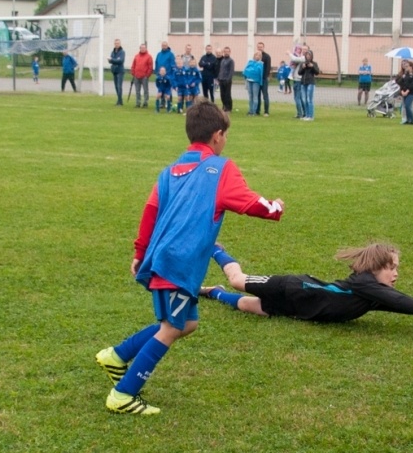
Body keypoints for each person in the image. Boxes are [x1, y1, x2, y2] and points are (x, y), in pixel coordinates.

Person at [94, 103, 284, 415]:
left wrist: (140, 253)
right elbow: (251, 203)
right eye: (226, 136)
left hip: (163, 259)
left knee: (186, 323)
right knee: (171, 328)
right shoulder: (220, 168)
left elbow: (150, 211)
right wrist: (275, 207)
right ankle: (123, 394)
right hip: (179, 264)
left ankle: (116, 356)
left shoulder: (170, 170)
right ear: (218, 135)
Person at [203, 242, 413, 340]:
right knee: (237, 280)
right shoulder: (364, 284)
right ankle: (215, 249)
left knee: (249, 306)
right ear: (376, 267)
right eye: (391, 268)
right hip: (292, 288)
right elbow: (401, 300)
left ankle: (213, 292)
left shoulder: (371, 295)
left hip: (299, 308)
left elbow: (405, 303)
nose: (396, 274)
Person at [296, 49, 319, 120]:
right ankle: (306, 115)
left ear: (311, 56)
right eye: (307, 55)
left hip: (310, 83)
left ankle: (310, 116)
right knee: (304, 99)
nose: (308, 56)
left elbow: (317, 72)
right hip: (303, 83)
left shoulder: (314, 63)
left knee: (309, 99)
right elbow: (299, 73)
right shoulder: (303, 63)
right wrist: (303, 68)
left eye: (309, 55)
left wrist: (312, 66)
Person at [130, 42, 153, 108]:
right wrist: (133, 72)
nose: (143, 49)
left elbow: (150, 67)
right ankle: (138, 103)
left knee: (145, 90)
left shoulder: (149, 57)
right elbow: (133, 65)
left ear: (146, 48)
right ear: (139, 48)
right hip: (136, 76)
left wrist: (147, 75)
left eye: (144, 48)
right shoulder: (136, 56)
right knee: (137, 91)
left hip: (144, 76)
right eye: (141, 48)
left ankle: (145, 103)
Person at [397, 60, 413, 125]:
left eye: (407, 66)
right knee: (405, 106)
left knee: (408, 105)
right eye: (405, 66)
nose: (406, 67)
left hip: (411, 92)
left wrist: (407, 91)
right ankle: (407, 120)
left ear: (411, 67)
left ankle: (412, 119)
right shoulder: (405, 74)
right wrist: (402, 91)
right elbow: (401, 83)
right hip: (404, 92)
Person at [255, 41, 274, 115]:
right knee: (257, 95)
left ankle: (266, 111)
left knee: (265, 95)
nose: (260, 48)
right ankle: (257, 111)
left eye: (261, 47)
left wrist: (265, 77)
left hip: (263, 79)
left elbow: (268, 68)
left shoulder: (267, 56)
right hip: (257, 79)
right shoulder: (255, 56)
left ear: (263, 47)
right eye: (258, 47)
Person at [217, 45, 236, 112]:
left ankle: (229, 107)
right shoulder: (222, 60)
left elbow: (231, 71)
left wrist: (228, 79)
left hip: (227, 80)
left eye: (227, 51)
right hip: (221, 79)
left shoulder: (231, 61)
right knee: (222, 94)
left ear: (230, 52)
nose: (226, 53)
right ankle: (224, 106)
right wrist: (219, 78)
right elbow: (221, 70)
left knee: (227, 94)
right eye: (225, 51)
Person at [108, 38, 126, 105]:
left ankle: (120, 101)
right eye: (115, 43)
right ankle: (119, 100)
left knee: (119, 86)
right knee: (116, 86)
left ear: (120, 44)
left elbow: (120, 61)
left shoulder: (122, 52)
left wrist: (113, 60)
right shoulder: (113, 52)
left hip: (120, 71)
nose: (116, 44)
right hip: (114, 71)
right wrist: (113, 60)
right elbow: (110, 61)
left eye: (118, 43)